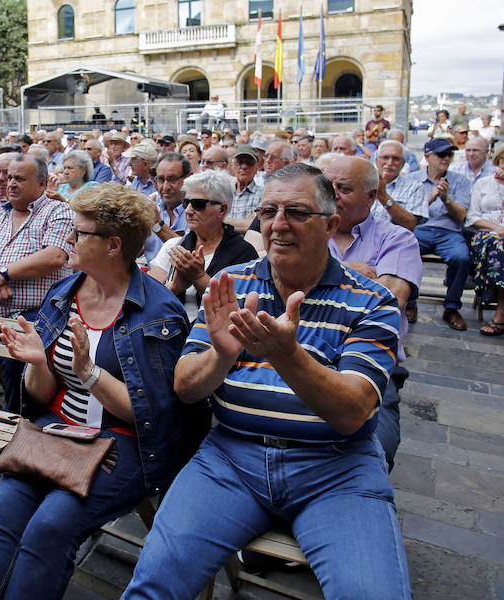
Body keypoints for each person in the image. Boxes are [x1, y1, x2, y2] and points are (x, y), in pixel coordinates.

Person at [122, 163, 411, 599]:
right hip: (232, 460)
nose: (277, 225)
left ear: (331, 224)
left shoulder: (373, 301)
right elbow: (185, 386)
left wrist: (286, 355)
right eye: (268, 211)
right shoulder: (231, 283)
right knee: (152, 587)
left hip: (335, 468)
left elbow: (352, 412)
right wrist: (222, 352)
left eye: (296, 212)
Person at [0, 183, 196, 600]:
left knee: (51, 527)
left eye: (80, 233)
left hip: (123, 442)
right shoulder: (64, 294)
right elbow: (43, 396)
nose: (69, 239)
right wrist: (39, 362)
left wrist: (89, 373)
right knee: (1, 515)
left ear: (114, 245)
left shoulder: (158, 313)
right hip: (58, 429)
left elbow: (151, 416)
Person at [324, 155, 422, 470]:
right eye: (328, 186)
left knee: (379, 449)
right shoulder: (305, 233)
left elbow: (391, 299)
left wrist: (320, 279)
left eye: (344, 188)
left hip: (372, 361)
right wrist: (348, 271)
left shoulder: (397, 238)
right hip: (307, 352)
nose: (333, 194)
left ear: (370, 195)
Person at [0, 154, 73, 409]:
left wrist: (3, 273)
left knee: (16, 357)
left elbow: (54, 256)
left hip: (37, 309)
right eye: (9, 177)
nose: (10, 183)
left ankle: (15, 422)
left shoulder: (58, 211)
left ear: (42, 184)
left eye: (19, 178)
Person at [148, 171, 258, 320]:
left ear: (223, 209)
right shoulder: (174, 246)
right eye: (186, 203)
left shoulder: (243, 253)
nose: (188, 211)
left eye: (198, 204)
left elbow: (238, 311)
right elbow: (147, 298)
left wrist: (198, 277)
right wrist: (174, 288)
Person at [406, 138, 472, 330]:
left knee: (461, 257)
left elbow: (461, 216)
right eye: (441, 154)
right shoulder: (412, 179)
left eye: (449, 154)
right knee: (405, 250)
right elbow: (408, 215)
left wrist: (446, 199)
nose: (446, 158)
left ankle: (451, 307)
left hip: (449, 231)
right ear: (427, 157)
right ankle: (410, 303)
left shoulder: (461, 181)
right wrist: (432, 196)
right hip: (421, 229)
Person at [465, 148, 504, 335]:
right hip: (488, 233)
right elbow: (472, 217)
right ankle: (501, 312)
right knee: (499, 247)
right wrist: (497, 229)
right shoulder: (484, 184)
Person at [371, 140, 427, 231]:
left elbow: (410, 224)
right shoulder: (362, 184)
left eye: (396, 159)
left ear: (403, 163)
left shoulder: (415, 187)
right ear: (376, 161)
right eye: (385, 158)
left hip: (395, 241)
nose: (389, 163)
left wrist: (383, 196)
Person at [224, 145, 263, 232]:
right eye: (240, 162)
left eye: (249, 163)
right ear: (233, 166)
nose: (244, 167)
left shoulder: (263, 194)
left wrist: (223, 222)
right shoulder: (225, 193)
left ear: (256, 168)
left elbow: (254, 226)